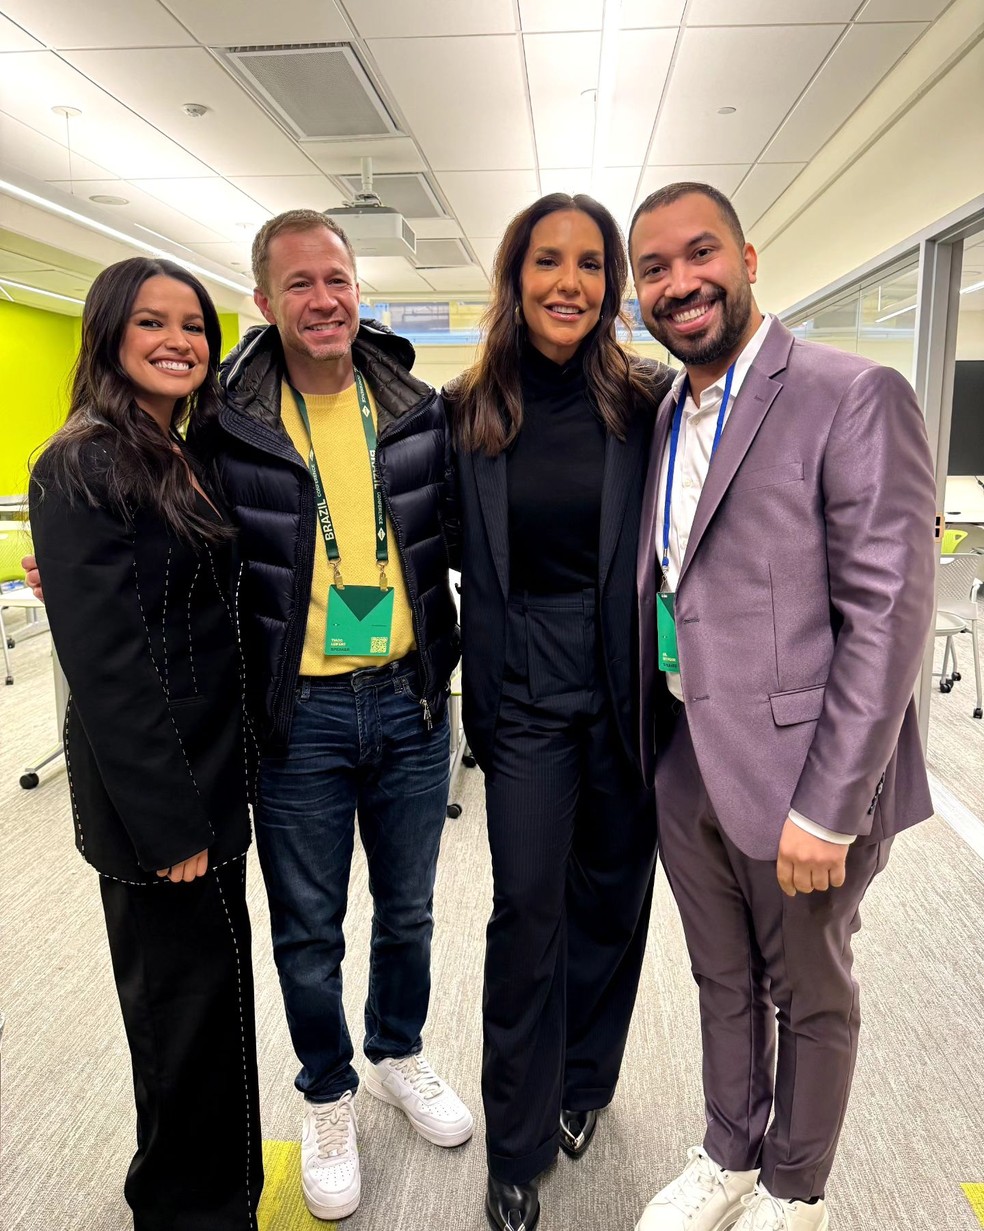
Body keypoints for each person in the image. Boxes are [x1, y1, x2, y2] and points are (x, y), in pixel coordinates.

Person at [628, 183, 936, 1231]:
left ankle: (795, 1189)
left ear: (749, 258)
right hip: (687, 749)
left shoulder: (852, 393)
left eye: (699, 253)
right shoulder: (667, 411)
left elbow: (888, 613)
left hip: (804, 774)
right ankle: (728, 1150)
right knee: (722, 977)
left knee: (809, 991)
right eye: (655, 269)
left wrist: (832, 806)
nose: (680, 283)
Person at [187, 211, 471, 1221]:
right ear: (264, 301)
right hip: (296, 715)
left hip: (409, 699)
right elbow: (188, 551)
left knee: (410, 909)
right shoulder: (228, 423)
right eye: (300, 283)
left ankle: (397, 1049)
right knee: (308, 929)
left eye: (337, 279)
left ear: (360, 289)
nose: (323, 299)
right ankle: (327, 1091)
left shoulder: (414, 407)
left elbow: (459, 533)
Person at [443, 192, 675, 1231]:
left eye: (589, 264)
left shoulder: (649, 400)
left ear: (612, 285)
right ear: (515, 274)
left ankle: (585, 1078)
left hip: (628, 684)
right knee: (527, 907)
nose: (568, 282)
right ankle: (517, 1142)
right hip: (524, 686)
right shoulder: (466, 410)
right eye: (548, 260)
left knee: (613, 898)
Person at [28, 256, 263, 1229]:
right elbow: (110, 668)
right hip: (157, 800)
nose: (179, 341)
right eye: (152, 322)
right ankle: (182, 1209)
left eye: (194, 325)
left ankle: (225, 1197)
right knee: (180, 1022)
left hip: (207, 772)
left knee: (216, 1008)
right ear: (109, 334)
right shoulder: (82, 461)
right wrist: (171, 826)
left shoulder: (176, 447)